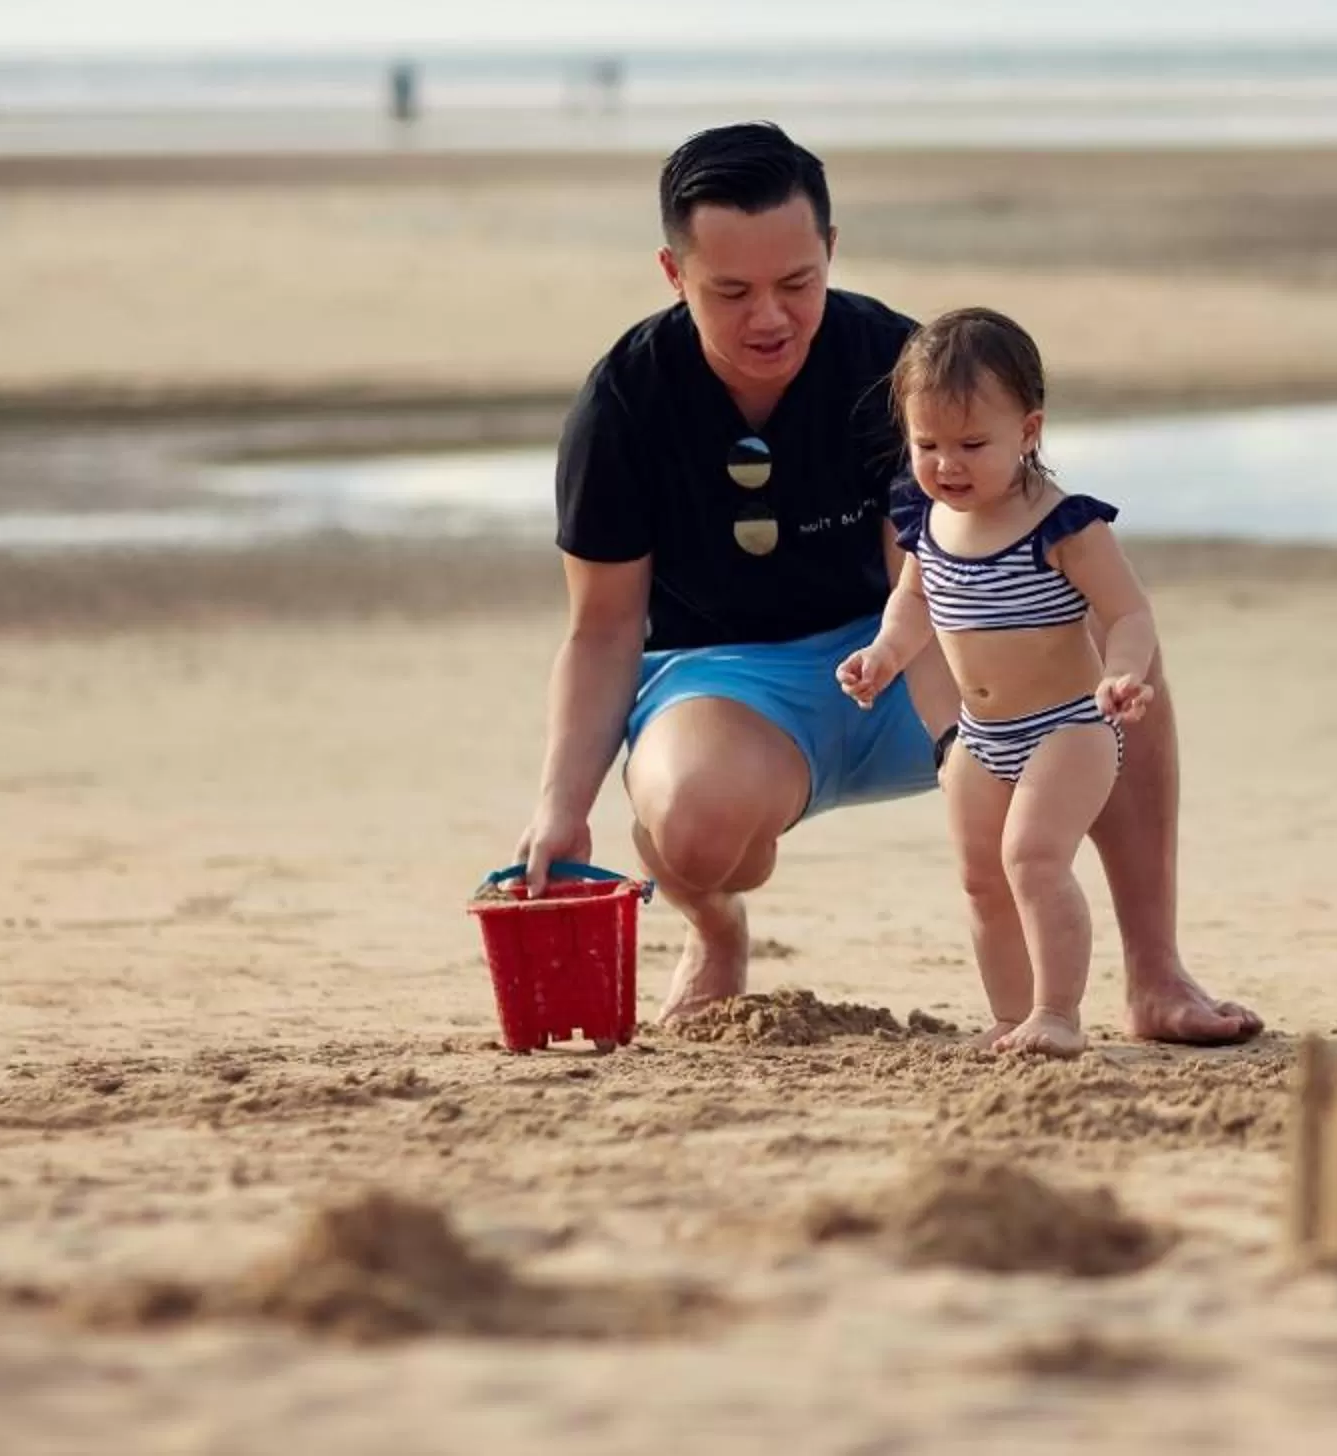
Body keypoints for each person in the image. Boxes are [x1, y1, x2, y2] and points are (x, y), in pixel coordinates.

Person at [508, 121, 1259, 1042]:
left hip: (920, 657)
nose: (770, 318)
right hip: (733, 684)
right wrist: (561, 808)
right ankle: (715, 930)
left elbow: (934, 582)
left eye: (797, 283)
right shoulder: (625, 402)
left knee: (1111, 660)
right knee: (694, 825)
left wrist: (958, 744)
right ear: (674, 274)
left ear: (830, 248)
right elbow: (603, 630)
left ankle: (1155, 975)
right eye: (731, 291)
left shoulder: (895, 367)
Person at [835, 309, 1149, 1058]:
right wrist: (882, 655)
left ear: (1029, 432)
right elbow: (913, 604)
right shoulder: (927, 520)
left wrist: (1125, 670)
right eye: (928, 444)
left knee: (1032, 860)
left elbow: (1128, 610)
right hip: (981, 738)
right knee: (981, 879)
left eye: (973, 445)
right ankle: (1013, 1016)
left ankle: (1058, 1012)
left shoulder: (1062, 525)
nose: (949, 464)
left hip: (1069, 726)